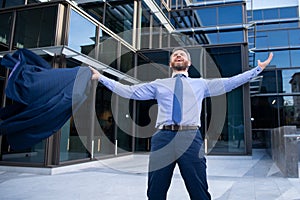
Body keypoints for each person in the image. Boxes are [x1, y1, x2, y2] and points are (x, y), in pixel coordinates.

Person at [90, 47, 273, 200]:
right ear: (170, 63)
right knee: (155, 192)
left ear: (189, 63)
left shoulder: (201, 84)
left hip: (190, 137)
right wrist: (101, 78)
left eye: (182, 54)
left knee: (199, 190)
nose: (178, 55)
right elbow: (129, 91)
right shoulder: (159, 84)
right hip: (162, 138)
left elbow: (230, 82)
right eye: (175, 54)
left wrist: (257, 70)